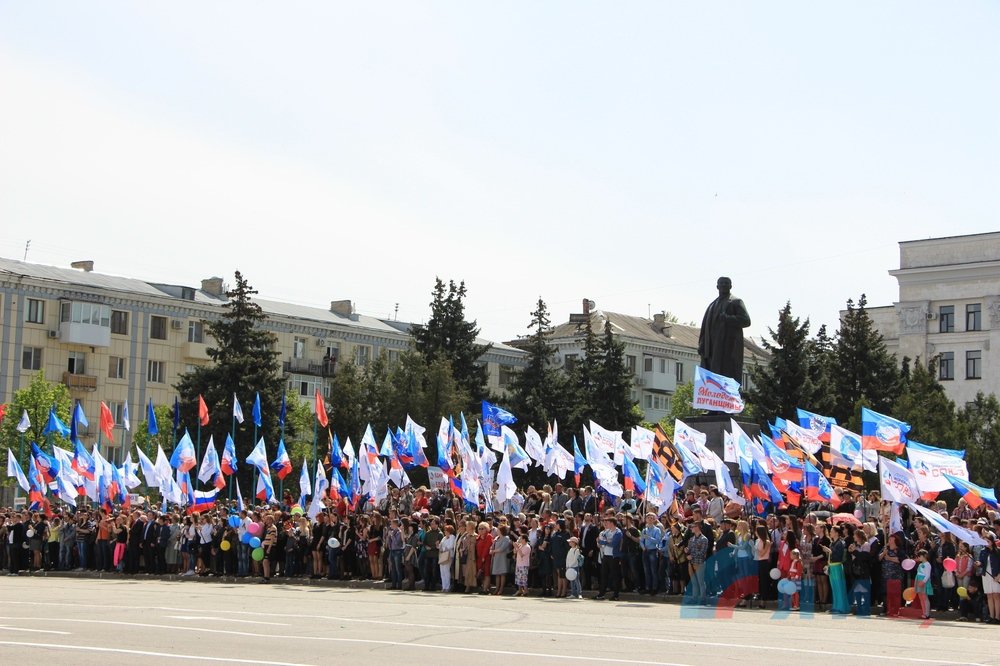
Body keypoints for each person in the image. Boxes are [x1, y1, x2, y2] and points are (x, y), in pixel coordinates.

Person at [697, 276, 751, 381]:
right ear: (717, 286)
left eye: (726, 283)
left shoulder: (736, 302)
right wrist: (702, 343)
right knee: (712, 378)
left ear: (731, 286)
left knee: (725, 376)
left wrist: (728, 318)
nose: (724, 285)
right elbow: (705, 328)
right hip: (710, 350)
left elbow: (746, 320)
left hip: (727, 349)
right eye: (721, 283)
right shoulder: (712, 305)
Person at [978, 533, 1000, 624]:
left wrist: (999, 575)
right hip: (986, 575)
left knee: (996, 596)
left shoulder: (998, 551)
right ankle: (991, 616)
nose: (986, 543)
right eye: (985, 541)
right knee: (989, 596)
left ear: (992, 541)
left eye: (988, 541)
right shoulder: (983, 551)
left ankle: (997, 617)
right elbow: (982, 562)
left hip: (995, 575)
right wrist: (979, 563)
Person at [686, 521, 709, 606]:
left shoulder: (704, 539)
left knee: (701, 581)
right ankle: (694, 598)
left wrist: (692, 556)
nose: (691, 528)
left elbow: (702, 552)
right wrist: (687, 551)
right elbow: (690, 549)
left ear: (698, 527)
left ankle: (703, 599)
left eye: (693, 527)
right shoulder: (691, 539)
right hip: (691, 563)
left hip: (699, 563)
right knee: (694, 581)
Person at [490, 524, 511, 595]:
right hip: (496, 558)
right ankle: (496, 588)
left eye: (498, 530)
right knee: (497, 574)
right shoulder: (497, 538)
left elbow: (502, 548)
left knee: (502, 574)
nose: (497, 531)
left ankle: (501, 589)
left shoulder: (506, 538)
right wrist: (491, 549)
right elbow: (492, 546)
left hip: (503, 558)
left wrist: (493, 551)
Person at [753, 525, 771, 609]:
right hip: (757, 561)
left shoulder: (766, 542)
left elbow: (762, 553)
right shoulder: (757, 541)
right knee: (759, 581)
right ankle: (759, 597)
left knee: (763, 581)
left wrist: (755, 549)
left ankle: (763, 600)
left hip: (764, 562)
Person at [914, 548, 933, 620]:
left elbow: (927, 575)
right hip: (919, 580)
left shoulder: (927, 564)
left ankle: (927, 613)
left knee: (924, 597)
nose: (918, 558)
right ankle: (924, 612)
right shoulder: (920, 564)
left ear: (924, 556)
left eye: (920, 556)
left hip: (923, 581)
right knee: (921, 597)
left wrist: (923, 582)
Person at [476, 521, 494, 594]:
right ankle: (484, 587)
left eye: (483, 528)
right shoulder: (478, 538)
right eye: (479, 529)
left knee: (486, 573)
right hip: (479, 558)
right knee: (481, 574)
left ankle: (485, 589)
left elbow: (487, 547)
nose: (480, 530)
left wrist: (483, 557)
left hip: (486, 558)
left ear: (487, 529)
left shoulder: (489, 536)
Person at [438, 524, 456, 592]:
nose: (445, 531)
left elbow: (451, 546)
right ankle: (443, 586)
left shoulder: (452, 537)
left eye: (446, 530)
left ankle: (447, 587)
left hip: (449, 556)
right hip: (442, 555)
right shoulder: (444, 538)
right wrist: (439, 546)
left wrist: (443, 548)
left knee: (446, 571)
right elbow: (440, 546)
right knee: (442, 572)